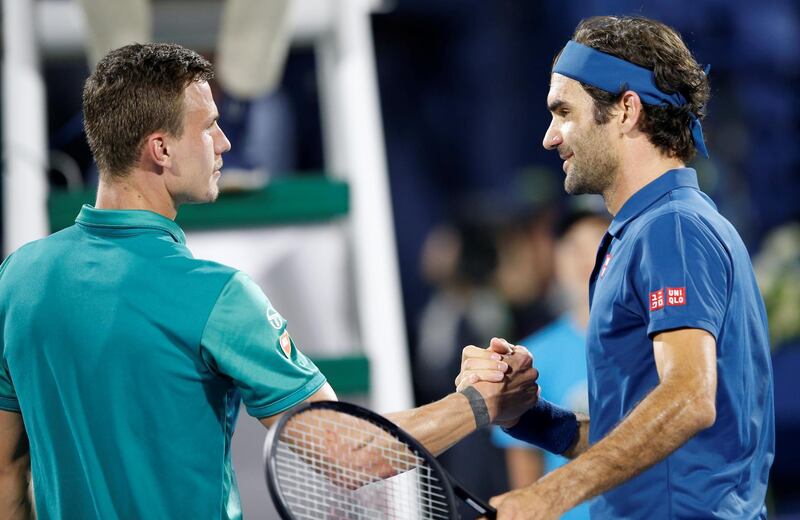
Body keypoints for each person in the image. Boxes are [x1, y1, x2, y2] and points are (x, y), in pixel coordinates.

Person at [0, 43, 539, 520]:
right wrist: (478, 402)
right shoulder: (215, 295)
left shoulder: (17, 279)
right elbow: (353, 457)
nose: (226, 142)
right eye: (208, 125)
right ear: (160, 149)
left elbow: (5, 472)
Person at [457, 15, 774, 519]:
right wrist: (532, 418)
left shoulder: (672, 229)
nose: (549, 137)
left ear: (626, 110)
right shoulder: (648, 230)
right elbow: (640, 446)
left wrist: (550, 493)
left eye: (564, 112)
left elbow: (690, 397)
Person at [490, 209, 609, 520]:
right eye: (571, 245)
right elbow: (524, 477)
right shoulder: (532, 355)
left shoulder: (655, 343)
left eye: (597, 241)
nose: (584, 256)